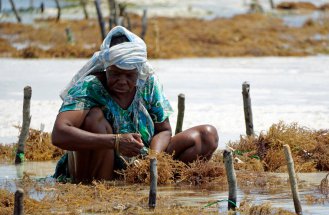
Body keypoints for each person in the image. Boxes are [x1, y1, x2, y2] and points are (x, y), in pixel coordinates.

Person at [52, 26, 218, 183]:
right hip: (97, 168)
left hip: (141, 163)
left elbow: (164, 130)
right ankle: (102, 186)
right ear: (106, 68)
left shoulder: (148, 83)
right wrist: (116, 142)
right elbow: (59, 134)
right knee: (94, 118)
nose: (122, 82)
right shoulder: (90, 87)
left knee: (206, 135)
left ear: (138, 71)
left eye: (130, 76)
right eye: (115, 74)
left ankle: (157, 181)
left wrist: (154, 157)